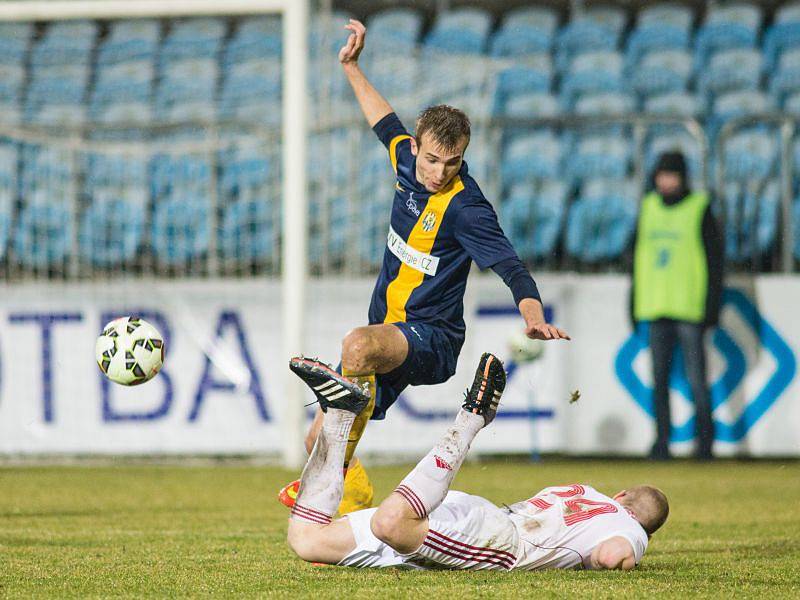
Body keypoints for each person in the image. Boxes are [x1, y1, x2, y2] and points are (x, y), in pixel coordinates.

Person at [279, 19, 569, 512]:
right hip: (387, 334)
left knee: (356, 345)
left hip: (432, 337)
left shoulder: (466, 207)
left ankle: (331, 477)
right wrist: (350, 66)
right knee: (318, 443)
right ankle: (354, 508)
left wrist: (533, 315)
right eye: (432, 160)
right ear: (416, 148)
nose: (439, 173)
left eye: (452, 162)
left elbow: (511, 265)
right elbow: (383, 118)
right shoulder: (404, 160)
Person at [286, 353, 669, 571]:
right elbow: (612, 555)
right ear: (644, 527)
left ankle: (339, 416)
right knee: (390, 523)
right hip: (500, 542)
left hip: (475, 517)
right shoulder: (628, 526)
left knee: (307, 542)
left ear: (620, 494)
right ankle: (472, 420)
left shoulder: (584, 491)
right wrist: (630, 554)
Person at [631, 151, 724, 460]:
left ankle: (705, 444)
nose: (666, 181)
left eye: (671, 175)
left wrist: (712, 305)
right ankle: (661, 441)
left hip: (689, 308)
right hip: (655, 306)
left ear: (683, 178)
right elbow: (637, 258)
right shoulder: (648, 207)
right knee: (658, 381)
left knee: (698, 380)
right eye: (662, 175)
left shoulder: (700, 208)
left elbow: (715, 260)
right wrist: (633, 302)